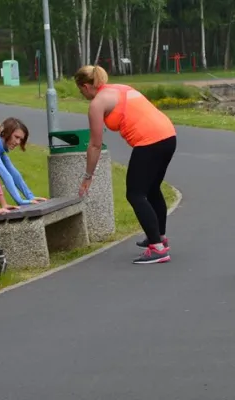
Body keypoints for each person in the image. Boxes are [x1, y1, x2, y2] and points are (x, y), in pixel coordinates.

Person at [74, 65, 176, 264]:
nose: (82, 94)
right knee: (152, 189)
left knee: (135, 194)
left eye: (80, 90)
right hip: (168, 136)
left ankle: (157, 248)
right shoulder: (121, 88)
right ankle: (159, 237)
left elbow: (95, 144)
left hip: (150, 142)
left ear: (86, 86)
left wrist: (88, 176)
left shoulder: (97, 103)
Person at [0, 117, 47, 206]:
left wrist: (30, 197)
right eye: (16, 137)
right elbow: (5, 175)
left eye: (21, 139)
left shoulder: (0, 151)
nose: (18, 142)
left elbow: (14, 174)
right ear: (5, 133)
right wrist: (20, 201)